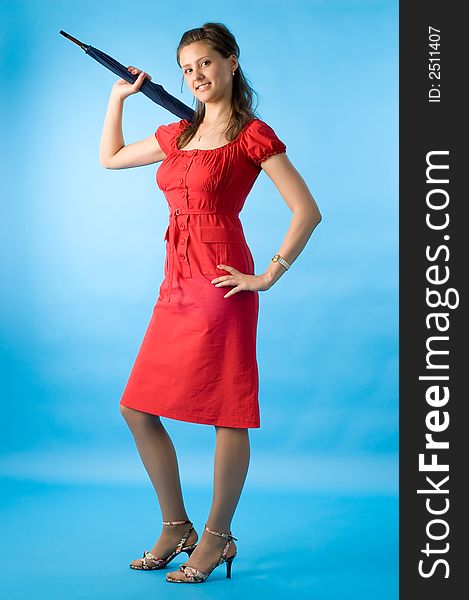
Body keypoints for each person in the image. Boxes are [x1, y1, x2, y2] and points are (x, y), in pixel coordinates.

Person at [99, 22, 322, 584]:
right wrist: (117, 98)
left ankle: (218, 537)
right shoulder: (178, 132)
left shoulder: (252, 135)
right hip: (175, 280)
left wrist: (268, 275)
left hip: (221, 284)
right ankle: (177, 527)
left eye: (205, 62)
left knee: (226, 412)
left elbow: (306, 210)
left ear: (231, 61)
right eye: (186, 68)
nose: (196, 75)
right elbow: (112, 158)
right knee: (136, 408)